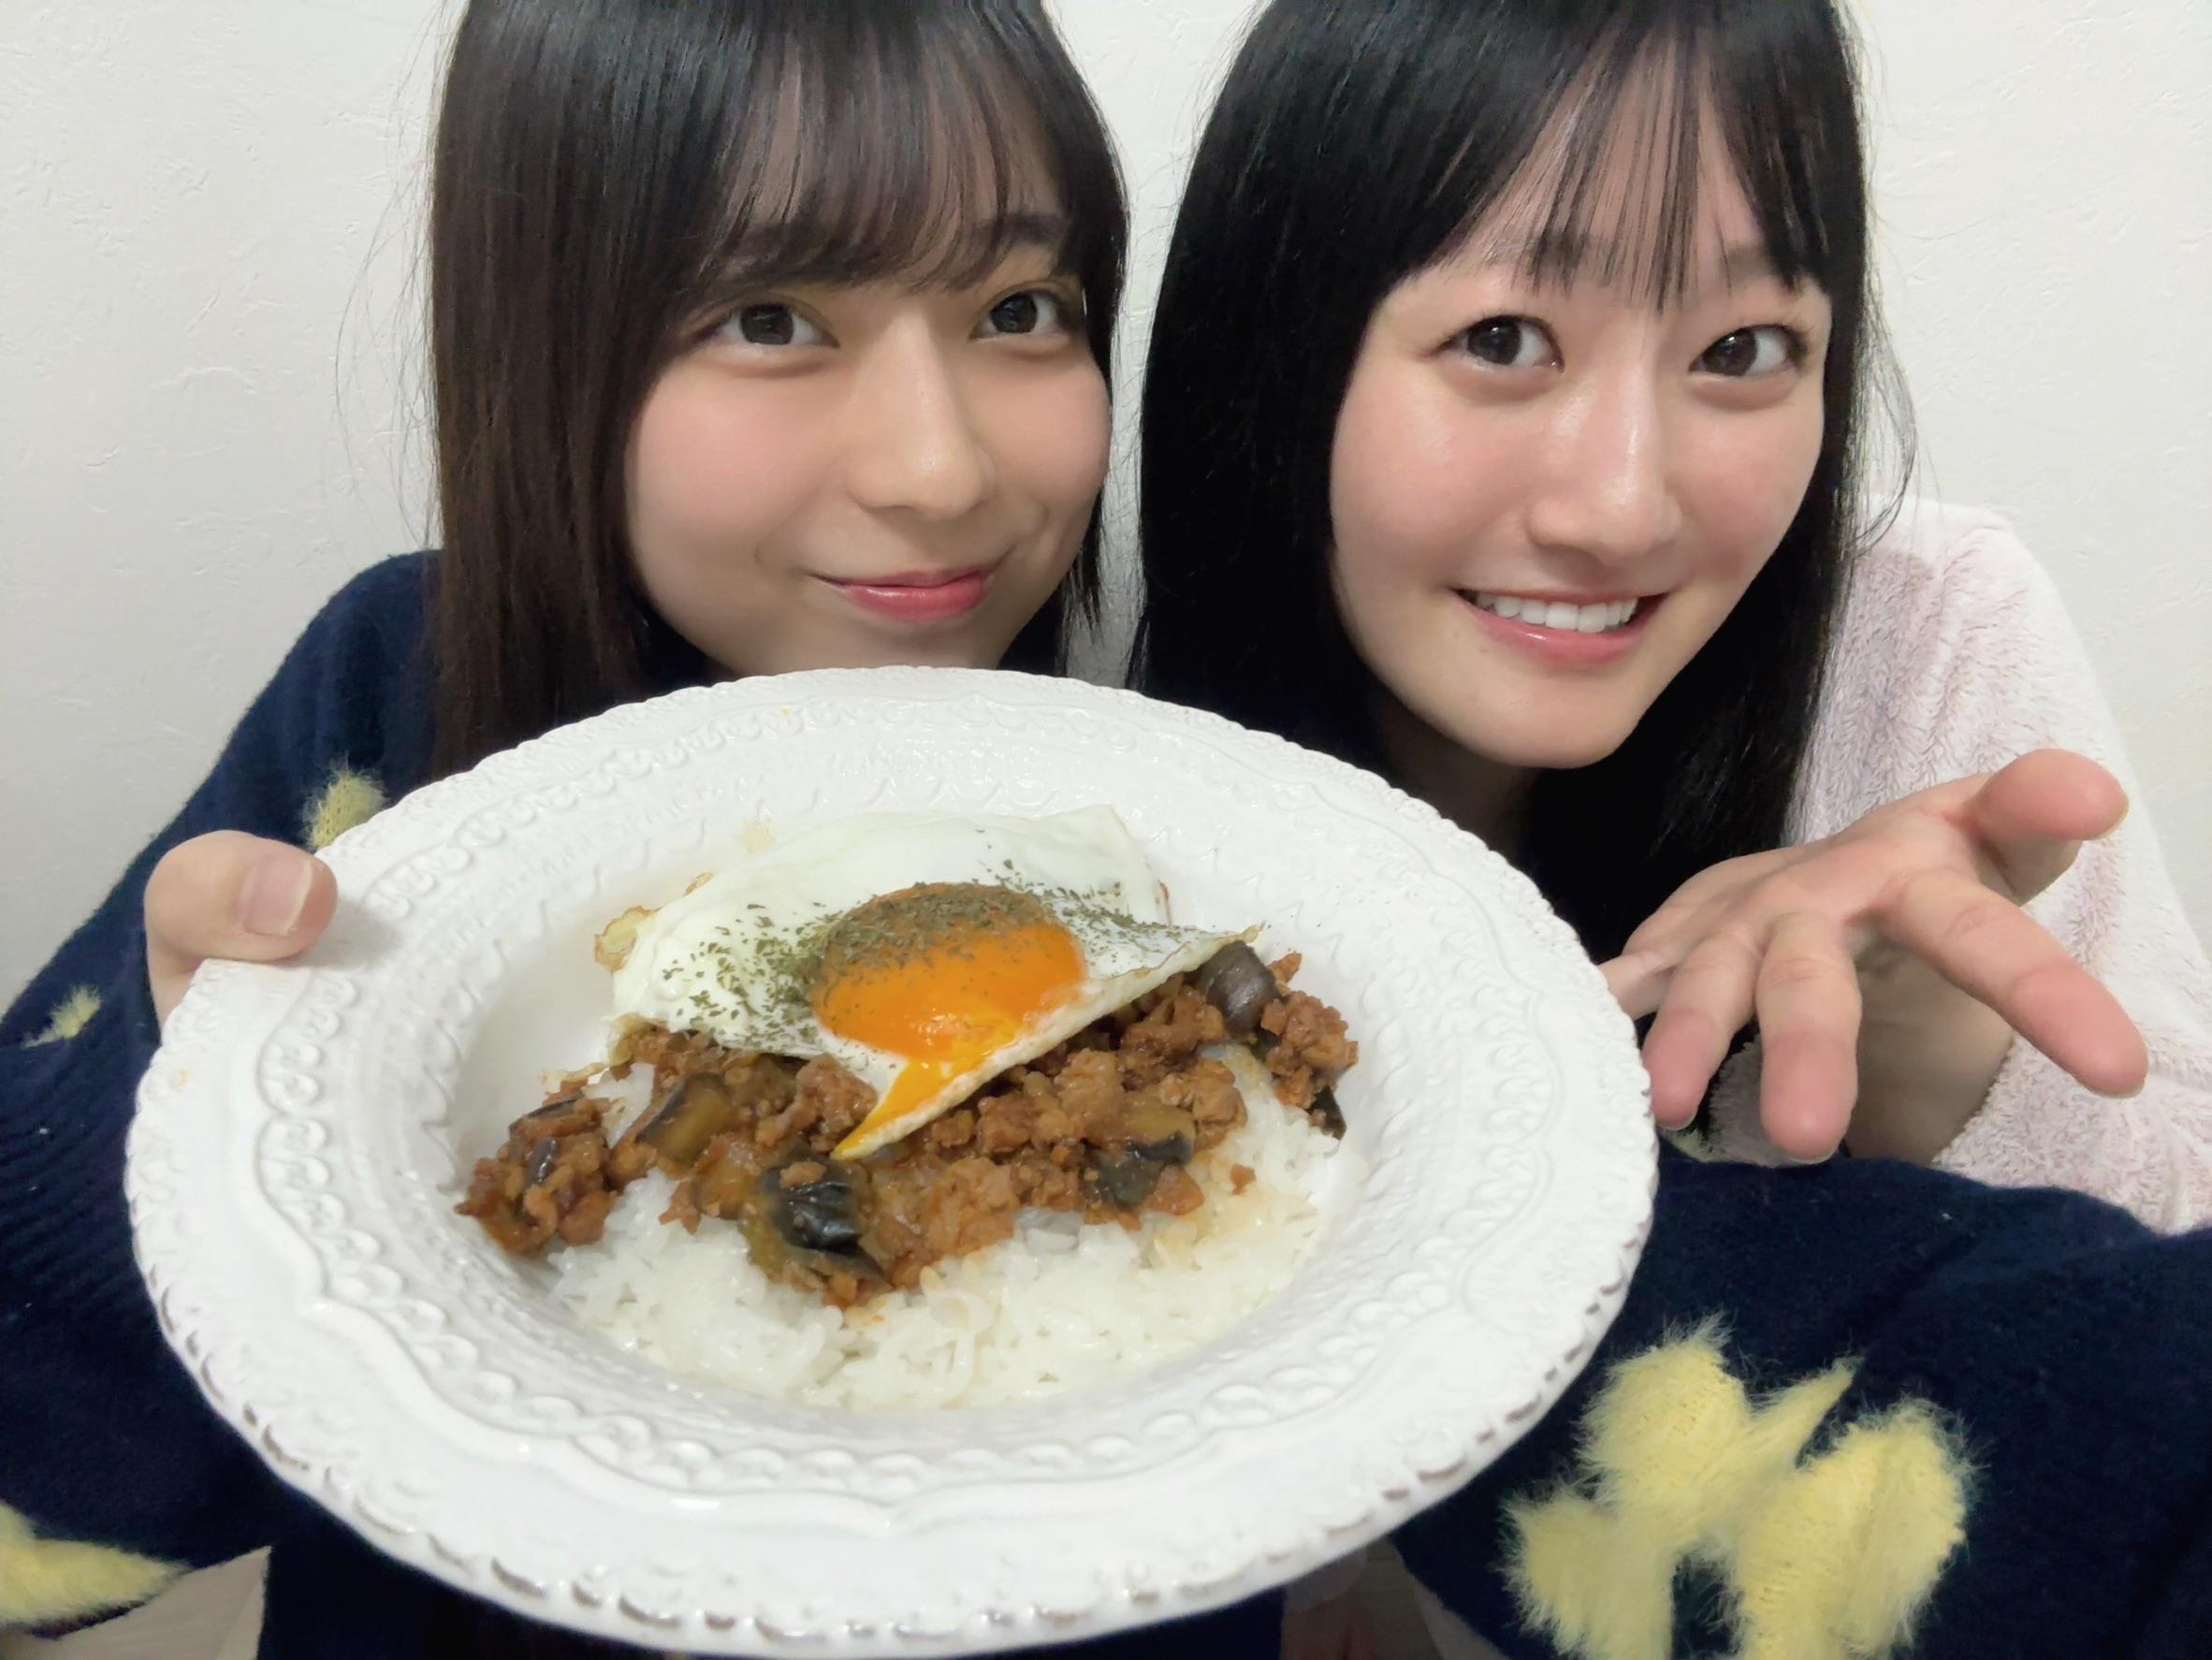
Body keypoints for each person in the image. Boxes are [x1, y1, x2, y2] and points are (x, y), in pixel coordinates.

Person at [0, 3, 1268, 1654]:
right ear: (550, 348)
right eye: (772, 317)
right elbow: (44, 1515)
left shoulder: (1165, 820)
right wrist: (175, 1117)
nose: (939, 469)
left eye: (1019, 308)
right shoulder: (392, 705)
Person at [1130, 0, 2212, 1653]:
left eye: (1742, 350)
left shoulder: (1921, 636)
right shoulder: (1118, 798)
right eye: (1504, 338)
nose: (1624, 505)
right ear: (1277, 343)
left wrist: (1937, 1064)